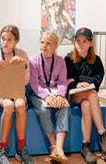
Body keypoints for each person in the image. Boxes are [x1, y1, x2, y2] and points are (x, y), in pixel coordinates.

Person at [64, 27, 106, 163]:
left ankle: (85, 146)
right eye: (78, 41)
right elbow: (66, 81)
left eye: (84, 41)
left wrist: (79, 80)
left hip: (86, 97)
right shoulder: (69, 59)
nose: (80, 44)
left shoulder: (96, 60)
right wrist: (76, 84)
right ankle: (103, 135)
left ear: (91, 43)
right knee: (92, 94)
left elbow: (97, 82)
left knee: (87, 104)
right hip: (72, 96)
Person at [0, 25, 34, 164]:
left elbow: (26, 81)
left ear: (16, 41)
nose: (5, 42)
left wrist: (23, 66)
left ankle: (21, 148)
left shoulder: (23, 54)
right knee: (8, 105)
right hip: (0, 93)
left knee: (19, 104)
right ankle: (1, 151)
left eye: (9, 39)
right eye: (3, 38)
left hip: (18, 91)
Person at [29, 30, 69, 163]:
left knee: (64, 107)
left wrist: (60, 96)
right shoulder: (33, 60)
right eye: (42, 42)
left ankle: (59, 148)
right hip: (38, 94)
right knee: (44, 110)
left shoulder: (60, 61)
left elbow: (63, 82)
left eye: (48, 43)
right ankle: (53, 145)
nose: (44, 46)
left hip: (55, 93)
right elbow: (34, 84)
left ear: (55, 46)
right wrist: (46, 97)